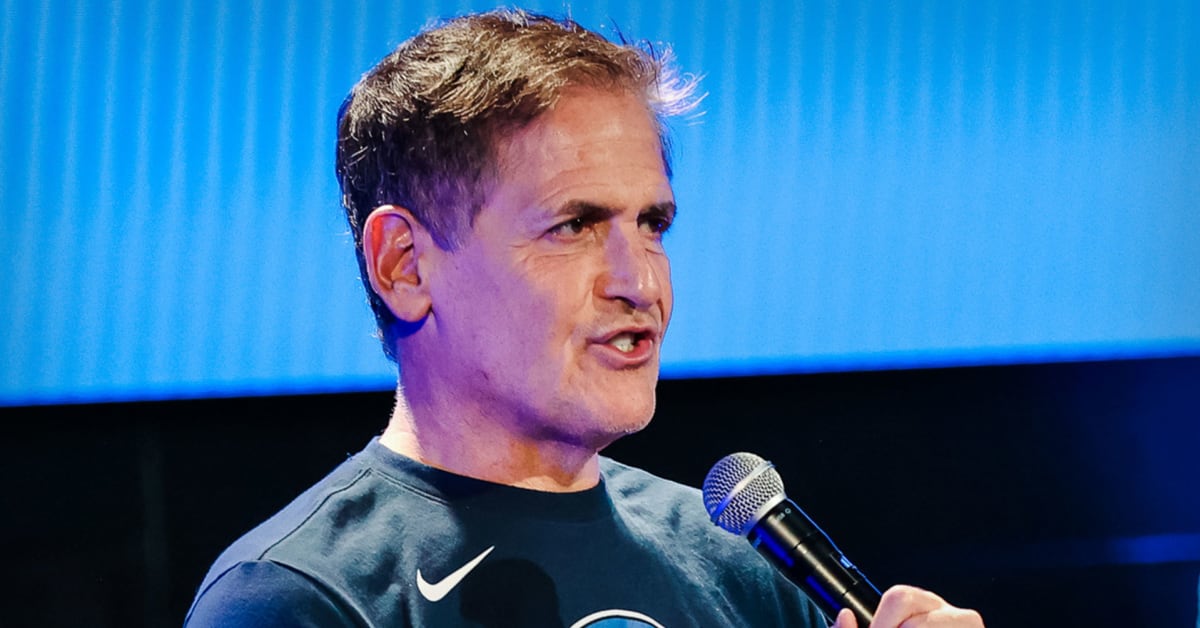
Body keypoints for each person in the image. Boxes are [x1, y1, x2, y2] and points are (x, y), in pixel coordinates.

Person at [186, 9, 983, 627]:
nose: (641, 283)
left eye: (653, 224)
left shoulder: (740, 569)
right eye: (574, 226)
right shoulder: (298, 598)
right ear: (405, 264)